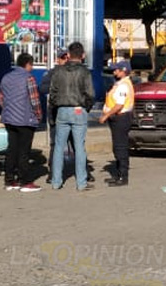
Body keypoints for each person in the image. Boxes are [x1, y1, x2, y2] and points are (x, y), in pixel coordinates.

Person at [48, 41, 95, 191]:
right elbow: (90, 94)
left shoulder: (58, 71)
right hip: (78, 110)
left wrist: (57, 106)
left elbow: (52, 93)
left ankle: (56, 181)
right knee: (79, 147)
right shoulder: (85, 72)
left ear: (68, 55)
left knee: (59, 147)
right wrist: (86, 107)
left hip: (62, 110)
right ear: (83, 55)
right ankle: (81, 183)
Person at [0, 52, 43, 193]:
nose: (32, 68)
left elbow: (0, 100)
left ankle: (10, 180)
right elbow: (35, 100)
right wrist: (38, 115)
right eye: (32, 65)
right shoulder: (29, 78)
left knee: (12, 150)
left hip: (9, 119)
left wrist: (9, 110)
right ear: (28, 64)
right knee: (24, 151)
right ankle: (25, 181)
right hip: (25, 120)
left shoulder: (6, 77)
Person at [99, 59, 135, 187]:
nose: (114, 72)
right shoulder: (120, 83)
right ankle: (119, 174)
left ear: (124, 71)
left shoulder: (123, 85)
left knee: (120, 148)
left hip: (120, 118)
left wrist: (106, 115)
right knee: (118, 147)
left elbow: (119, 105)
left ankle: (122, 177)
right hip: (118, 118)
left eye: (117, 70)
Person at [40, 48, 70, 182]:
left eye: (67, 58)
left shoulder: (77, 72)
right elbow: (42, 88)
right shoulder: (52, 73)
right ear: (58, 60)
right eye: (63, 58)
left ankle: (84, 171)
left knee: (77, 143)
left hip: (72, 113)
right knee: (55, 144)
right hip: (56, 113)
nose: (65, 60)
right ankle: (52, 173)